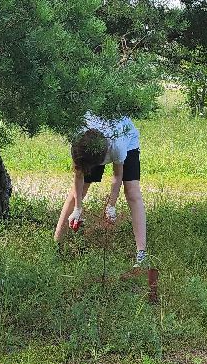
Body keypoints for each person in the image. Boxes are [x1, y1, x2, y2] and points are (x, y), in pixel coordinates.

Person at [54, 113, 147, 266]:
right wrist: (77, 208)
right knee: (77, 192)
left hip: (127, 140)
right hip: (91, 146)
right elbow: (79, 175)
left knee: (132, 192)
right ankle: (56, 245)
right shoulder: (78, 141)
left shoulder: (118, 145)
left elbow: (117, 176)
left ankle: (141, 255)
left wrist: (111, 205)